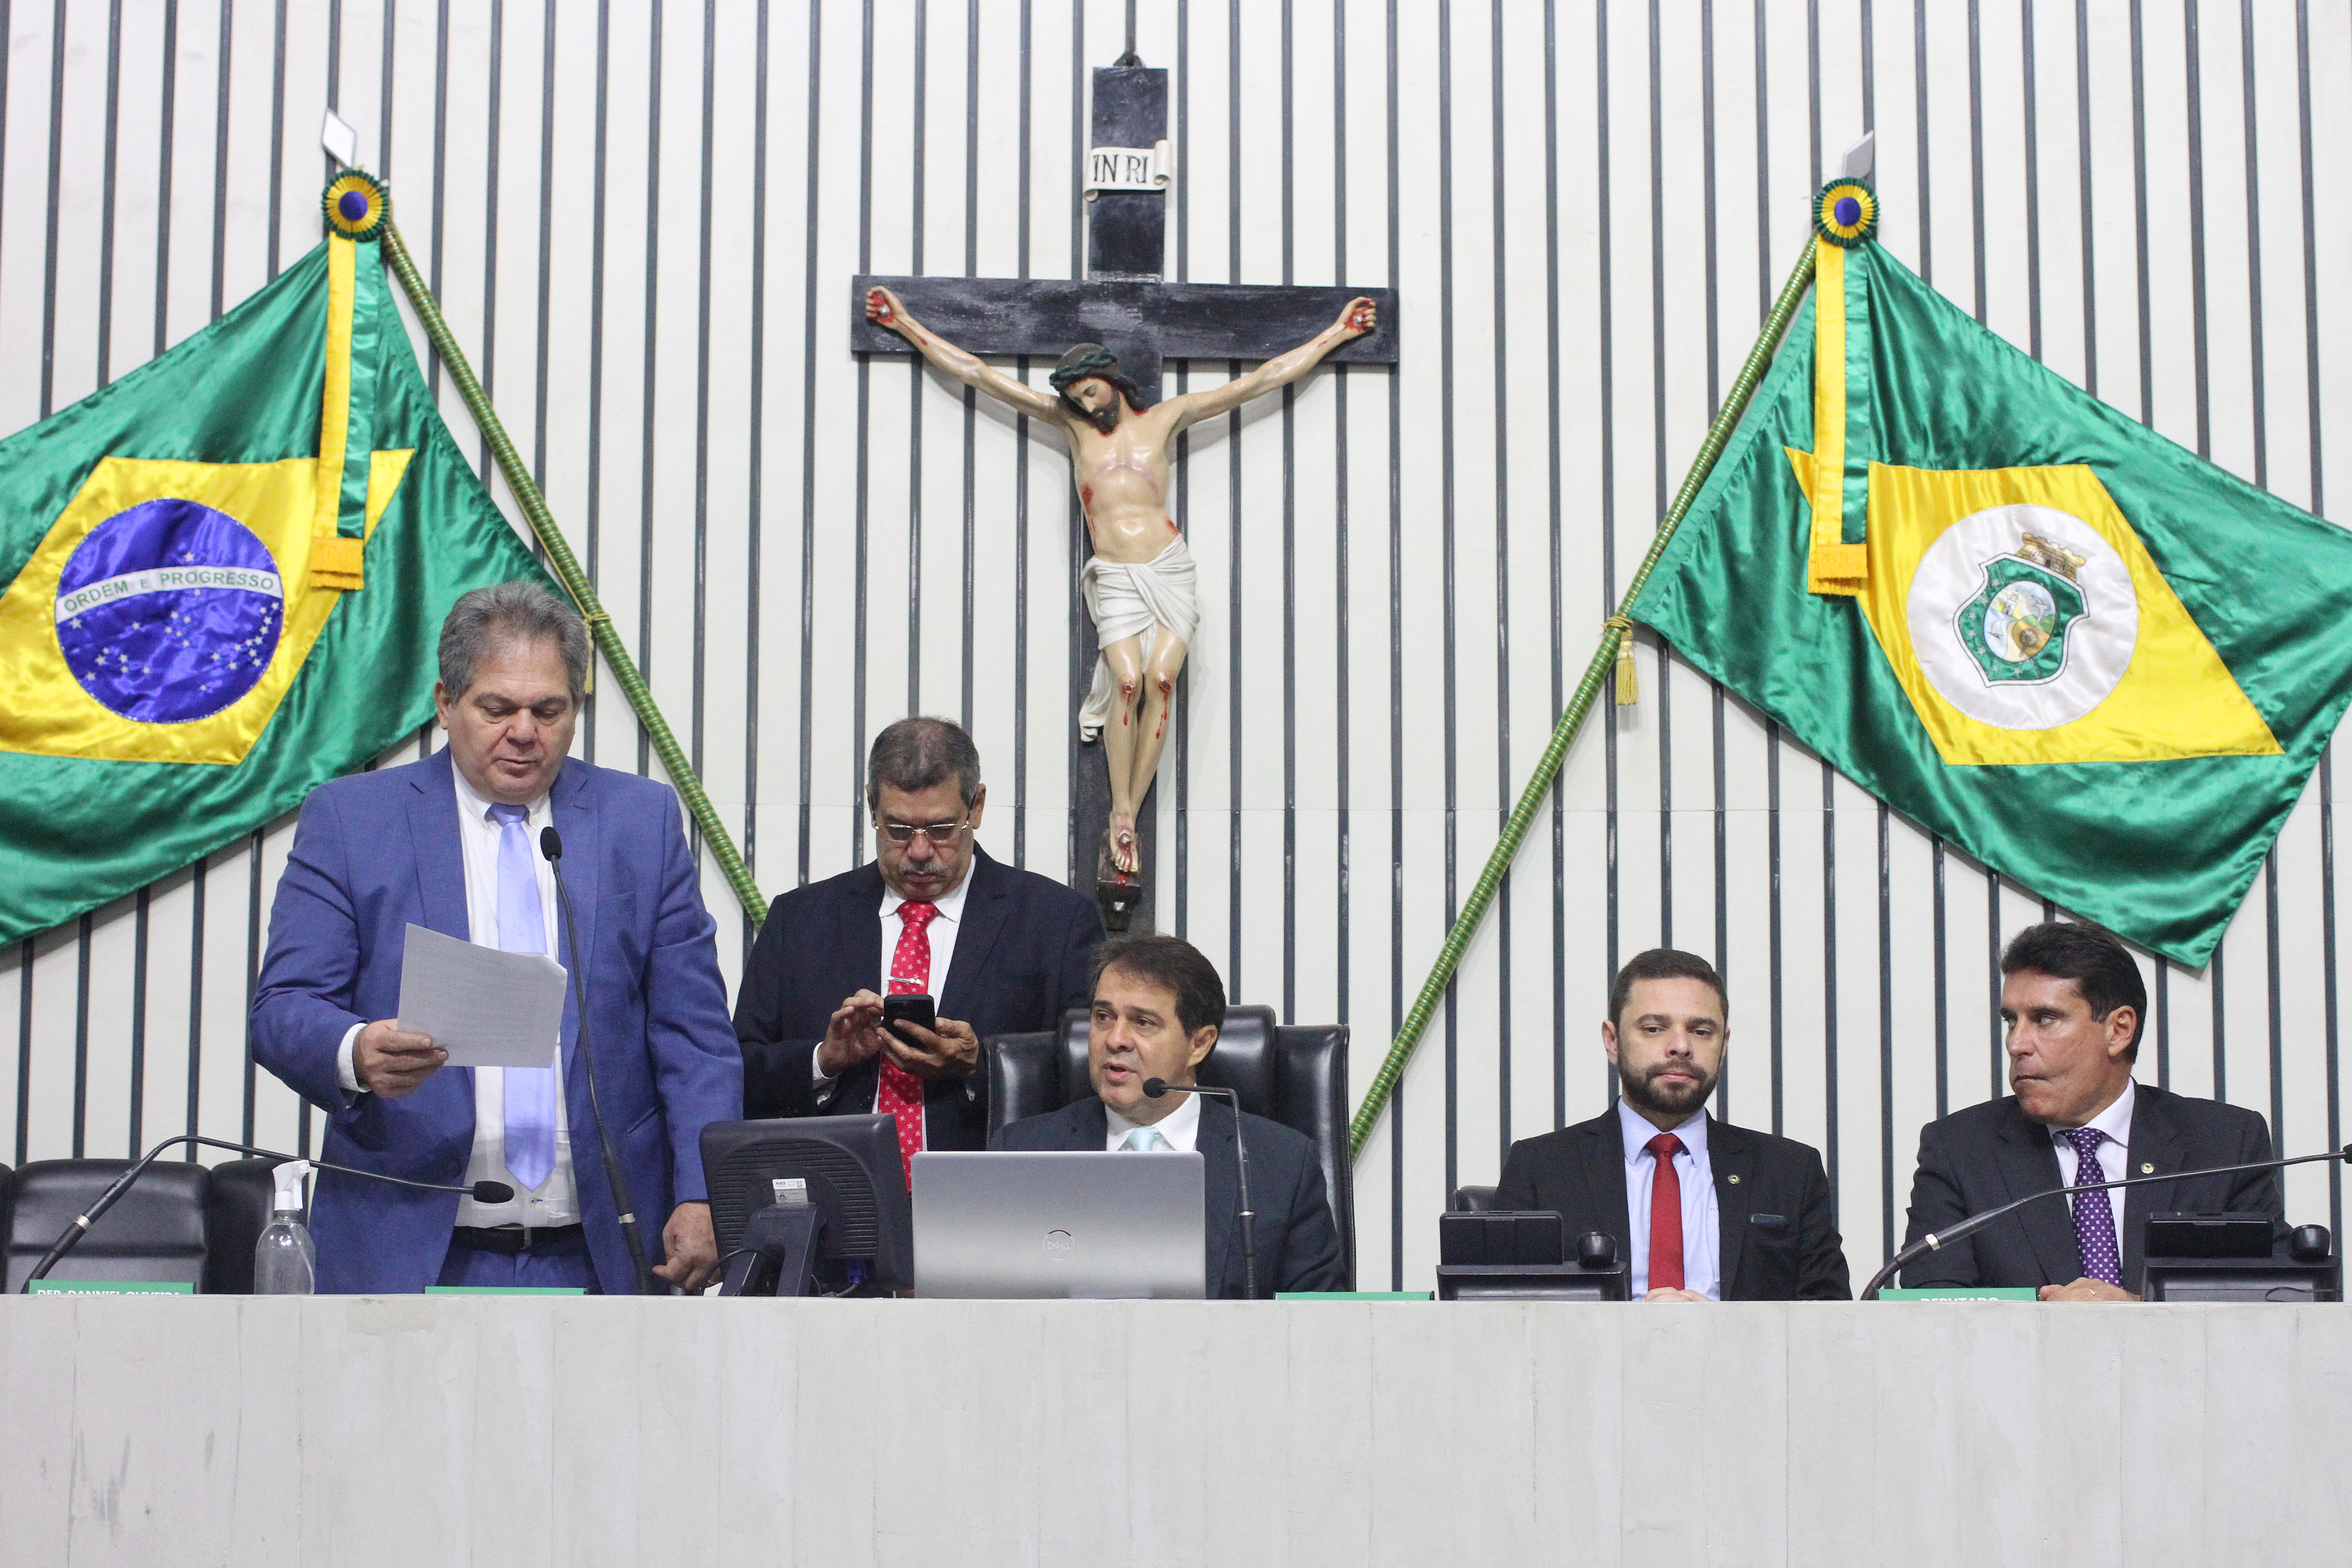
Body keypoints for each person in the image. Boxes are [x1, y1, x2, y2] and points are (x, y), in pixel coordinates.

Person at [250, 583, 742, 1294]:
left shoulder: (641, 822)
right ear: (446, 702)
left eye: (549, 710)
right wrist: (354, 1050)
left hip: (606, 1250)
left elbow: (694, 1036)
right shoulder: (352, 821)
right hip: (409, 1243)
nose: (524, 732)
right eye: (497, 708)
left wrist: (703, 1193)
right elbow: (283, 1009)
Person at [863, 284, 1375, 877]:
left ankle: (1129, 806)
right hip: (1115, 574)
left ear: (1112, 380)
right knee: (1128, 682)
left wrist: (1337, 333)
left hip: (1168, 566)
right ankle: (1122, 808)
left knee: (1163, 678)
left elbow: (1260, 381)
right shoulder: (1072, 427)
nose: (1087, 405)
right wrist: (905, 323)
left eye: (1091, 391)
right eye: (1076, 399)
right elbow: (980, 374)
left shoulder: (1166, 419)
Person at [733, 717, 1104, 1176]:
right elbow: (738, 1068)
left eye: (942, 829)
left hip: (991, 1190)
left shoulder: (1057, 921)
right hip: (834, 1189)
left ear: (977, 807)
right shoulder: (799, 919)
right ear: (872, 807)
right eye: (899, 829)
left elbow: (1090, 1070)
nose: (920, 851)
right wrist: (822, 1061)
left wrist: (980, 1065)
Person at [1899, 921, 2283, 1300]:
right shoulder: (1960, 1150)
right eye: (2011, 1021)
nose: (2016, 1044)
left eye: (2044, 1020)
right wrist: (2045, 1317)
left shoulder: (2224, 1144)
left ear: (2119, 1030)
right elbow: (1929, 1302)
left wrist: (2141, 1310)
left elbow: (2272, 1295)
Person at [993, 933, 1345, 1298]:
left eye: (1143, 1022)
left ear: (1199, 1044)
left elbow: (1320, 1317)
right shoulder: (1020, 1154)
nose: (1115, 1039)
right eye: (1104, 1017)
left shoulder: (1283, 1165)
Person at [1490, 949, 1849, 1301]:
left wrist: (1726, 1329)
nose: (1681, 1046)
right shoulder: (1541, 1168)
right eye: (1654, 1029)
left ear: (1723, 1045)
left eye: (1701, 1031)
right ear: (1613, 1041)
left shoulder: (1790, 1172)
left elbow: (1831, 1320)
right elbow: (1500, 1314)